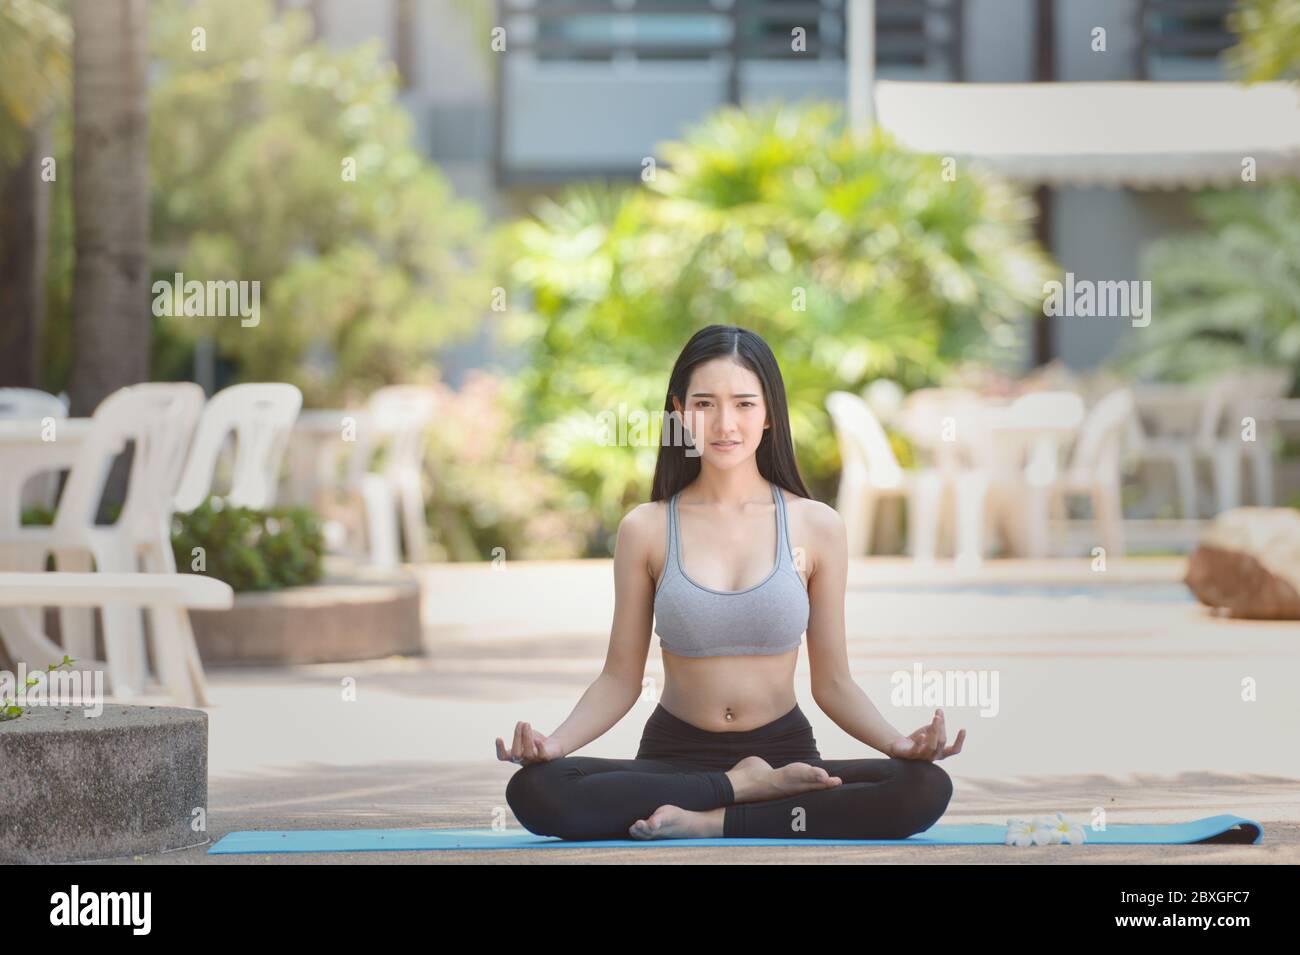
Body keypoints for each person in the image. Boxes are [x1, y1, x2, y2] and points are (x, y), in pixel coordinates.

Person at [496, 325, 964, 840]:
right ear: (678, 411)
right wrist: (556, 745)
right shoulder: (646, 528)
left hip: (784, 754)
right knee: (537, 790)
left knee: (923, 787)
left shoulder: (816, 526)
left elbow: (832, 683)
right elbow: (619, 679)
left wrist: (897, 744)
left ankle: (711, 819)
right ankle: (740, 790)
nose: (724, 423)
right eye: (704, 404)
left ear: (769, 414)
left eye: (744, 403)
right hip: (677, 760)